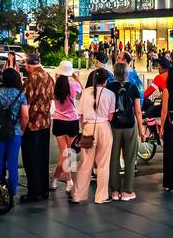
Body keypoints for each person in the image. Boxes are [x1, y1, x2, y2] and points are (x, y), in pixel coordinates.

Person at [72, 67, 115, 204]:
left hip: (88, 128)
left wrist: (84, 128)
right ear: (106, 80)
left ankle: (78, 195)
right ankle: (101, 196)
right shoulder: (110, 94)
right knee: (103, 164)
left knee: (85, 163)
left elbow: (81, 115)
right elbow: (110, 116)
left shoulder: (85, 93)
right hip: (104, 128)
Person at [0, 68, 28, 196]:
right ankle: (12, 193)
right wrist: (22, 129)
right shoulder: (20, 95)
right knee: (12, 164)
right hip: (14, 133)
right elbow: (25, 116)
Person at [107, 61, 144, 201]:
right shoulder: (133, 87)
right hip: (130, 126)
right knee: (129, 159)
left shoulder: (109, 87)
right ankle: (127, 191)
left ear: (114, 73)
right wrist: (141, 131)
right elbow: (138, 112)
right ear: (127, 73)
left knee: (114, 158)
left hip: (114, 127)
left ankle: (115, 191)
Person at [20, 52, 54, 202]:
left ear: (29, 64)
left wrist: (22, 126)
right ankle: (44, 189)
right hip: (45, 122)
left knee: (31, 158)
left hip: (32, 124)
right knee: (43, 157)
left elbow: (25, 103)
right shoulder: (49, 77)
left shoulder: (31, 79)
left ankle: (34, 191)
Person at [51, 61, 82, 194]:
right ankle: (69, 182)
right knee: (69, 153)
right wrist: (76, 78)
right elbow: (82, 93)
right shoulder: (74, 85)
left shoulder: (55, 86)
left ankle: (55, 179)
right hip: (72, 121)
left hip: (58, 120)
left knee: (64, 153)